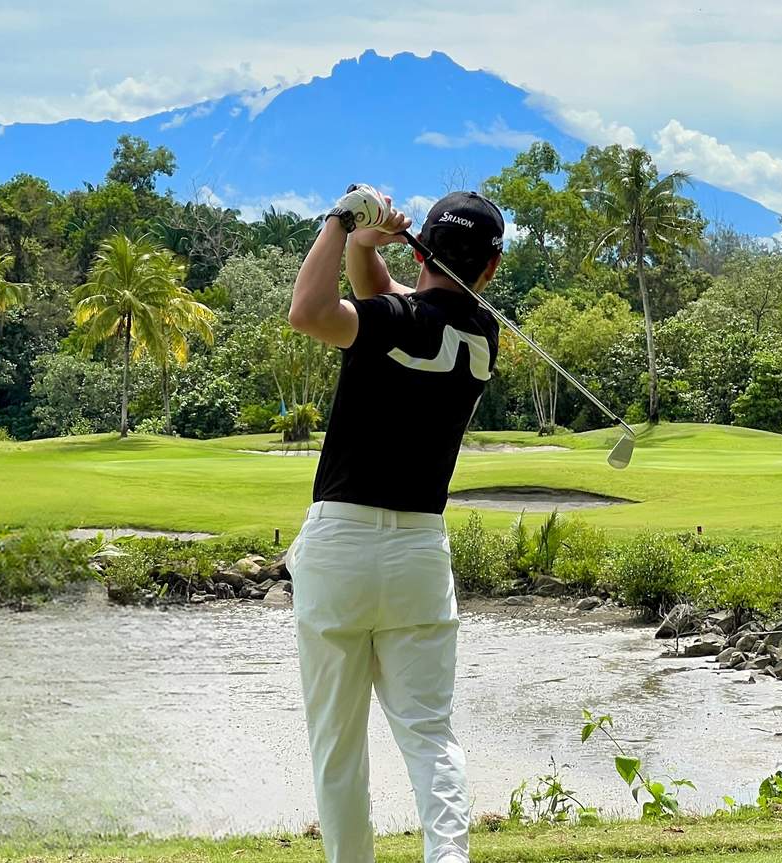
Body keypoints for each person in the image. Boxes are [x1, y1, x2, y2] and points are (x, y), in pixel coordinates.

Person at [285, 184, 505, 863]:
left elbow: (309, 313)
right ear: (490, 270)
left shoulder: (391, 318)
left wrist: (340, 223)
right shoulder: (482, 334)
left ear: (422, 250)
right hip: (416, 554)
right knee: (429, 735)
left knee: (338, 744)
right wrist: (360, 246)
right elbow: (395, 310)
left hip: (340, 546)